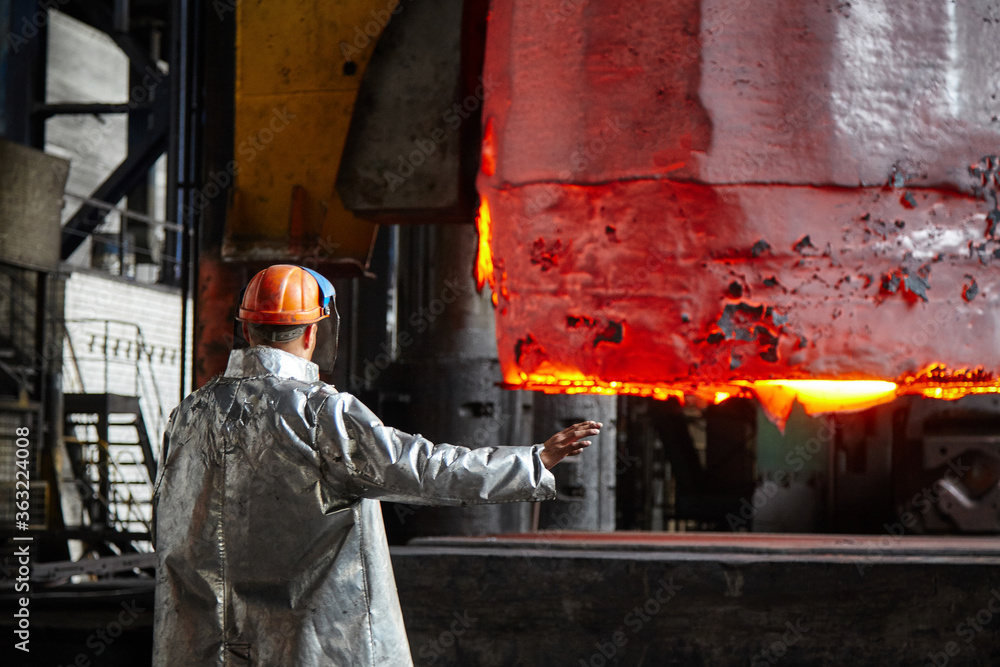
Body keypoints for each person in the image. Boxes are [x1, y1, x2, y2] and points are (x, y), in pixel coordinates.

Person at [152, 264, 602, 666]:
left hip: (205, 648)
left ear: (245, 331)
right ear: (314, 334)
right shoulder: (320, 412)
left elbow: (167, 522)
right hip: (309, 647)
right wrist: (532, 461)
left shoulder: (189, 414)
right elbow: (423, 470)